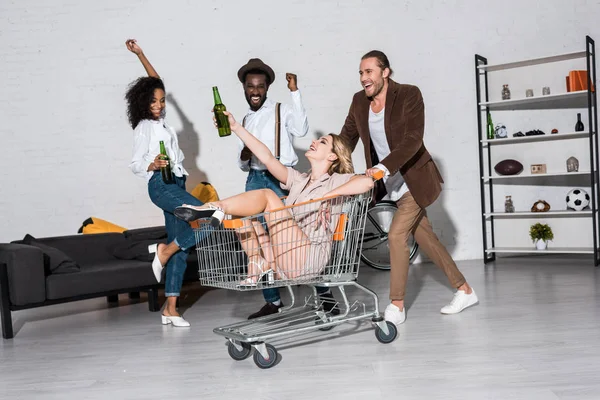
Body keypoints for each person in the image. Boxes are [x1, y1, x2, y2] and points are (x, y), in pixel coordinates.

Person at [339, 50, 478, 326]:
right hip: (389, 184)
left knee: (395, 236)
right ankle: (465, 290)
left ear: (385, 72)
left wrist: (383, 167)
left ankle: (397, 305)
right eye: (360, 73)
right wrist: (328, 164)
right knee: (426, 238)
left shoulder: (409, 95)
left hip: (414, 180)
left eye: (369, 72)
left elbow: (414, 139)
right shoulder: (358, 102)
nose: (364, 78)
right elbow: (346, 139)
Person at [174, 110, 374, 290]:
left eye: (322, 142)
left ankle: (213, 207)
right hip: (282, 259)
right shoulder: (298, 180)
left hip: (308, 259)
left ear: (333, 157)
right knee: (240, 211)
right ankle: (257, 261)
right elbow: (267, 158)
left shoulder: (336, 181)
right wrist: (236, 127)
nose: (314, 142)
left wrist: (328, 196)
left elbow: (367, 182)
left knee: (269, 195)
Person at [234, 58, 336, 319]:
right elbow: (242, 163)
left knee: (294, 235)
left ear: (267, 88)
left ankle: (326, 299)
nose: (255, 91)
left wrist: (295, 92)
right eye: (250, 86)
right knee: (257, 239)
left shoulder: (282, 109)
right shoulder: (245, 118)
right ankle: (273, 300)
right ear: (245, 88)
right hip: (255, 178)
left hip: (280, 178)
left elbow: (302, 129)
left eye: (259, 86)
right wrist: (245, 155)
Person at [125, 39, 211, 328]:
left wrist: (141, 54)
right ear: (143, 103)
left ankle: (170, 308)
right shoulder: (143, 127)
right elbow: (135, 164)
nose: (159, 106)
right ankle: (163, 251)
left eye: (161, 101)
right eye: (154, 101)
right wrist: (150, 164)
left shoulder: (162, 124)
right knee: (210, 218)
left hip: (177, 184)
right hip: (161, 187)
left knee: (183, 245)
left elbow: (155, 80)